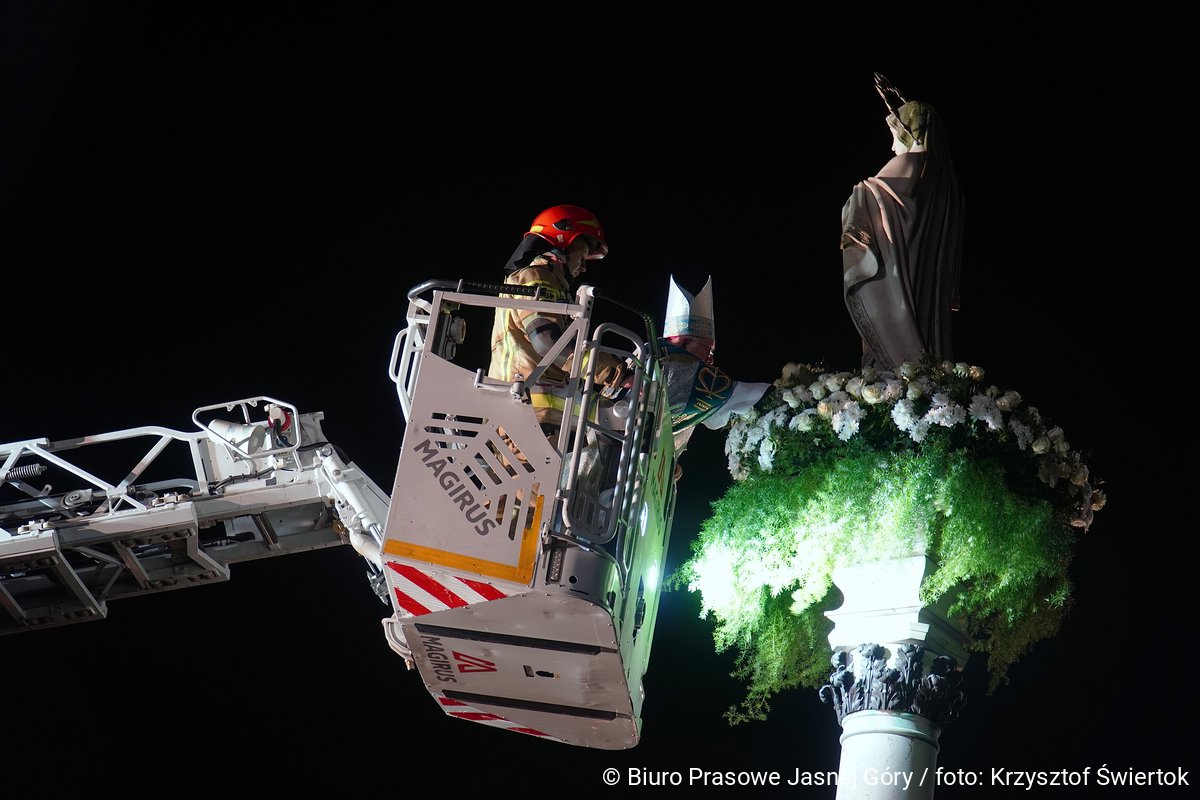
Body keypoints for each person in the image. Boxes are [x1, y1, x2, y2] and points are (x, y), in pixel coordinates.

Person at [841, 73, 965, 371]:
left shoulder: (909, 164)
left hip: (899, 283)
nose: (893, 147)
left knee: (898, 357)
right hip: (930, 287)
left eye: (896, 136)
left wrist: (857, 200)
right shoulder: (947, 181)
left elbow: (870, 195)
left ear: (911, 133)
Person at [488, 204, 628, 441]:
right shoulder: (535, 277)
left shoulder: (544, 282)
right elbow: (548, 342)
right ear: (562, 243)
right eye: (582, 256)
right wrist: (616, 374)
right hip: (525, 414)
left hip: (529, 413)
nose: (583, 267)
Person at [657, 275, 770, 470]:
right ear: (681, 342)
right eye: (708, 350)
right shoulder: (680, 363)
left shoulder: (649, 352)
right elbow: (733, 393)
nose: (710, 359)